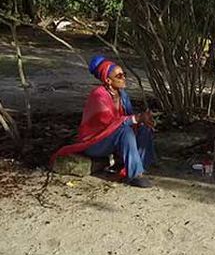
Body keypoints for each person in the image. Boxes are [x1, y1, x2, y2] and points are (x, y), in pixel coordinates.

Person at [51, 56, 155, 188]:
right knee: (125, 131)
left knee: (144, 127)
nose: (124, 78)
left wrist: (142, 120)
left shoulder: (123, 95)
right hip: (96, 142)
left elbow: (129, 118)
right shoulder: (98, 96)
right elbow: (111, 125)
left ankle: (139, 164)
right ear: (108, 80)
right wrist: (137, 118)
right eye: (119, 76)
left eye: (124, 74)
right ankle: (134, 175)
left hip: (113, 137)